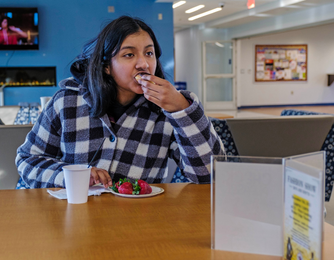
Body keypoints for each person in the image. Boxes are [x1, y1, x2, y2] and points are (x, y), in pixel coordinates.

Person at [16, 16, 225, 189]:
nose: (143, 64)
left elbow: (210, 175)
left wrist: (182, 109)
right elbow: (27, 160)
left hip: (140, 221)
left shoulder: (168, 110)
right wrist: (73, 176)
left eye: (149, 53)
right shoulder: (67, 102)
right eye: (129, 54)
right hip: (73, 217)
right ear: (107, 66)